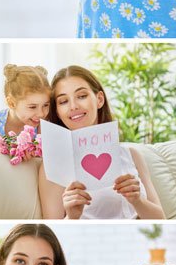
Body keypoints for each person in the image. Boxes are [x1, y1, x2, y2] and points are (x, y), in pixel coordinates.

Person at [38, 66, 164, 220]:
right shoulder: (54, 165)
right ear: (57, 111)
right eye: (63, 101)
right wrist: (72, 217)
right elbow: (54, 229)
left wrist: (137, 201)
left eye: (82, 96)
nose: (73, 106)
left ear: (99, 99)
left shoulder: (131, 154)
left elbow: (161, 220)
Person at [0, 64, 50, 147]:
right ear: (12, 103)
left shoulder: (43, 125)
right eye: (32, 107)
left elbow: (44, 157)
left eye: (46, 105)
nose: (41, 114)